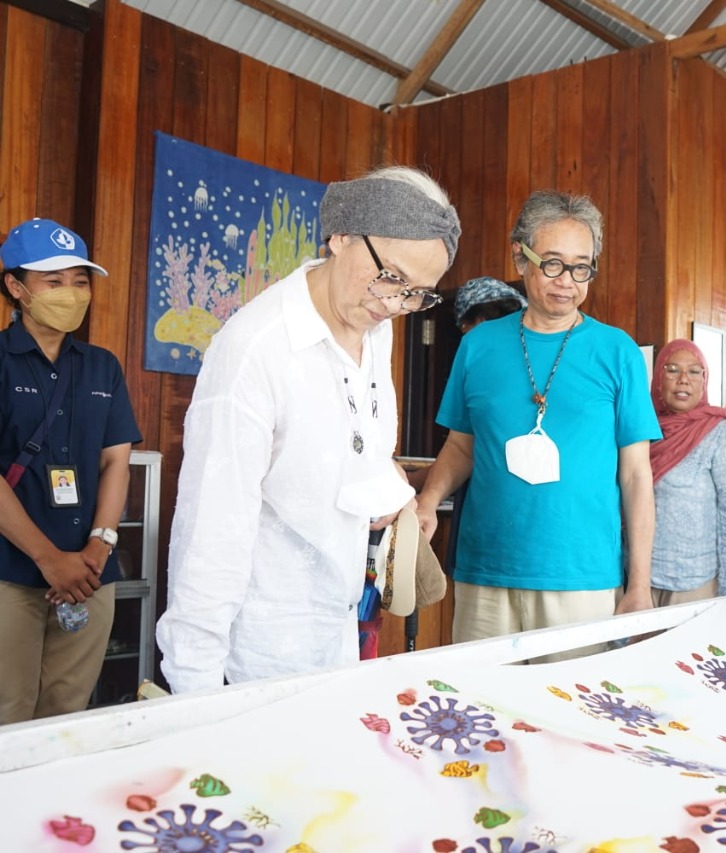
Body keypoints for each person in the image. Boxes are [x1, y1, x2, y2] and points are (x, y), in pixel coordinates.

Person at [157, 167, 460, 693]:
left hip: (339, 630)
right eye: (390, 276)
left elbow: (358, 448)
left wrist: (393, 495)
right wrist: (194, 694)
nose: (394, 304)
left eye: (417, 294)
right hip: (258, 654)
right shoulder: (256, 349)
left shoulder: (375, 327)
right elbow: (211, 532)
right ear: (341, 235)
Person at [414, 190, 660, 662]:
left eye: (581, 267)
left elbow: (636, 475)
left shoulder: (618, 351)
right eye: (552, 263)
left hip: (582, 578)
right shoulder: (478, 345)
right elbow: (462, 447)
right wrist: (427, 500)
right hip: (484, 570)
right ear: (519, 256)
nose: (567, 281)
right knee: (480, 713)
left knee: (570, 719)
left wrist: (639, 584)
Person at [0, 218, 141, 724]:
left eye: (79, 281)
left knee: (67, 717)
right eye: (53, 281)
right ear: (16, 287)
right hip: (11, 575)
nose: (71, 293)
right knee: (9, 717)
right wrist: (47, 559)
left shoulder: (102, 366)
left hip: (89, 576)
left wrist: (97, 548)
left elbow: (115, 462)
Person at [648, 338, 726, 605]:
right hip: (639, 580)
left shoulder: (722, 433)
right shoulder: (642, 428)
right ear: (658, 378)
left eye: (695, 371)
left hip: (696, 585)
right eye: (672, 370)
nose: (683, 379)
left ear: (704, 380)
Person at [434, 276, 527, 576]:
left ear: (484, 320)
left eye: (465, 327)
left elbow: (472, 451)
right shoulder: (478, 362)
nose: (466, 338)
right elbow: (461, 449)